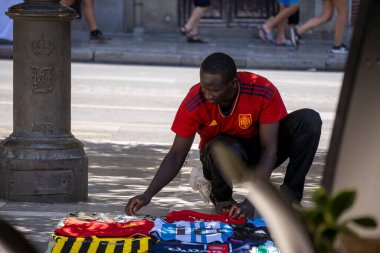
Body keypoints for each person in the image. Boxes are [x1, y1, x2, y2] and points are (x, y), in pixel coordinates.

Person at [125, 52, 322, 219]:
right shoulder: (195, 100)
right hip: (219, 160)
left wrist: (252, 201)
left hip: (260, 155)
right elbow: (176, 155)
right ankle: (223, 199)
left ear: (233, 84)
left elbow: (269, 148)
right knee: (221, 145)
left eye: (215, 90)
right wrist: (147, 194)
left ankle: (290, 199)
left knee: (309, 120)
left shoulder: (262, 90)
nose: (208, 95)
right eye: (204, 87)